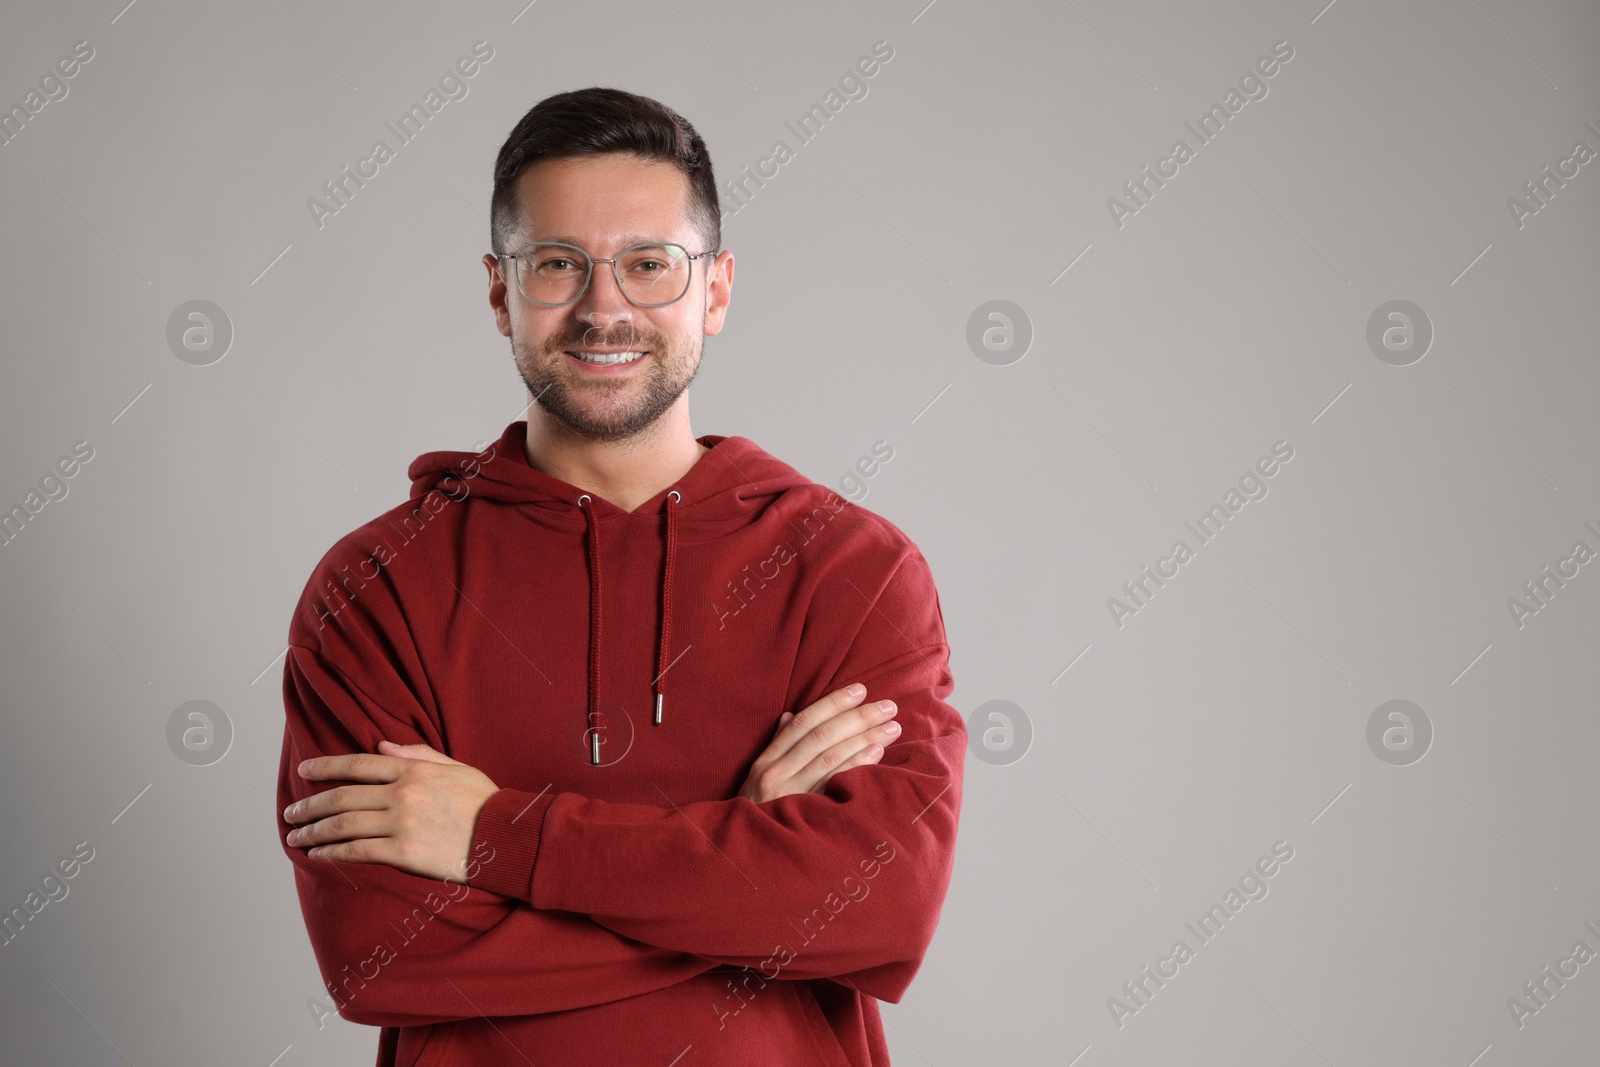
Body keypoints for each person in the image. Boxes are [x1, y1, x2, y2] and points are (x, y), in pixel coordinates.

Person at [275, 86, 964, 1067]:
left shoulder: (850, 571)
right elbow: (379, 953)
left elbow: (883, 910)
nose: (605, 308)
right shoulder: (376, 586)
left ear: (715, 290)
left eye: (650, 265)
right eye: (558, 265)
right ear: (498, 290)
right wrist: (751, 876)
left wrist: (494, 836)